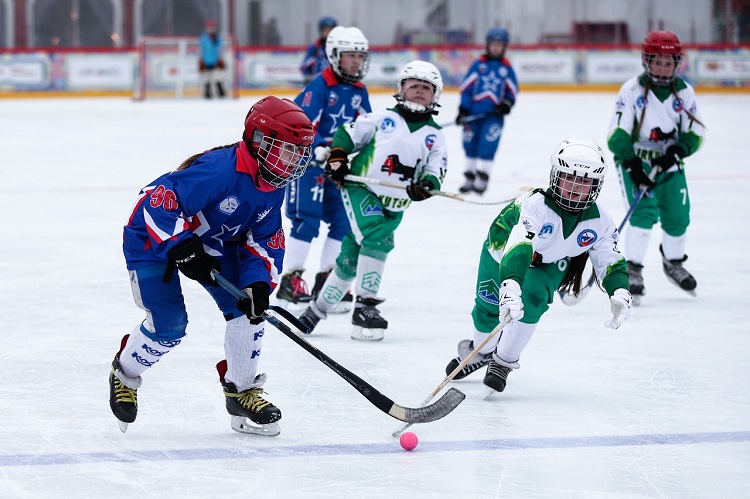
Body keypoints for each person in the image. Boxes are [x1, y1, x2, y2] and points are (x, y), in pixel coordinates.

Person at [108, 96, 314, 436]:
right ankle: (124, 374)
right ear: (260, 141)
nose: (294, 161)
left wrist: (258, 283)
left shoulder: (272, 186)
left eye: (298, 152)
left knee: (249, 310)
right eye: (287, 150)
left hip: (215, 246)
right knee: (169, 327)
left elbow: (264, 240)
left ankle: (241, 391)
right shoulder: (221, 170)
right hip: (152, 240)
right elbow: (156, 199)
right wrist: (181, 247)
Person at [443, 138, 632, 396]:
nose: (576, 187)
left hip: (551, 261)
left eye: (585, 181)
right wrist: (510, 284)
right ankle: (481, 352)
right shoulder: (536, 205)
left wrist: (619, 291)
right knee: (488, 308)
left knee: (532, 299)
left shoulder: (600, 220)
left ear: (596, 185)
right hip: (500, 252)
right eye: (569, 178)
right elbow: (520, 245)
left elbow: (610, 258)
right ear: (555, 176)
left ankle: (504, 362)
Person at [297, 60, 448, 341]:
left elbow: (435, 170)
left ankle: (315, 311)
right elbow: (346, 134)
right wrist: (339, 156)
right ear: (400, 89)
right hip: (361, 190)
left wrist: (427, 186)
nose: (419, 91)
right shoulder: (381, 118)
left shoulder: (435, 136)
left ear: (435, 95)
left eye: (426, 88)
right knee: (378, 237)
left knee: (350, 259)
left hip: (397, 205)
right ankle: (365, 305)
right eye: (413, 85)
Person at [275, 26, 372, 312]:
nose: (356, 61)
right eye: (350, 55)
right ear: (333, 55)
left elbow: (366, 127)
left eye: (359, 56)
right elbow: (297, 122)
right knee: (307, 220)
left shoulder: (359, 91)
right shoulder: (320, 86)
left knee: (343, 223)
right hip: (308, 167)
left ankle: (327, 281)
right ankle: (290, 281)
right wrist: (316, 146)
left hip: (339, 169)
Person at [607, 30, 705, 306]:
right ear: (646, 61)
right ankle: (633, 269)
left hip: (669, 165)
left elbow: (695, 133)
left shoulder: (685, 93)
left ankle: (673, 262)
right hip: (635, 161)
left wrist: (677, 150)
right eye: (657, 61)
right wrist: (634, 165)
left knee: (678, 214)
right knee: (643, 212)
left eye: (669, 62)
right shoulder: (631, 90)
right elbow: (617, 134)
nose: (663, 68)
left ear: (678, 63)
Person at [456, 27, 518, 195]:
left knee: (488, 145)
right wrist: (463, 109)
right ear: (488, 45)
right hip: (473, 115)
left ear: (504, 47)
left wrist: (506, 104)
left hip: (494, 117)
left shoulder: (506, 68)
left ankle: (483, 177)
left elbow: (512, 91)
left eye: (500, 44)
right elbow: (466, 88)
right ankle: (469, 177)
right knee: (469, 144)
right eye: (493, 44)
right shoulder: (478, 65)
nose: (496, 47)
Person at [300, 16, 337, 85]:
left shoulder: (338, 48)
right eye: (325, 30)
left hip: (333, 84)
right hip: (317, 84)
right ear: (321, 31)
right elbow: (304, 66)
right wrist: (308, 75)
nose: (328, 33)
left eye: (330, 30)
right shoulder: (315, 47)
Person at [199, 19, 226, 99]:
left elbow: (221, 49)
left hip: (216, 61)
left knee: (218, 77)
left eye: (212, 27)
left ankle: (221, 93)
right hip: (206, 61)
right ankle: (207, 94)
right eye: (209, 27)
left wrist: (221, 59)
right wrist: (201, 60)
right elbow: (201, 50)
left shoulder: (217, 38)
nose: (210, 29)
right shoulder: (204, 38)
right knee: (206, 78)